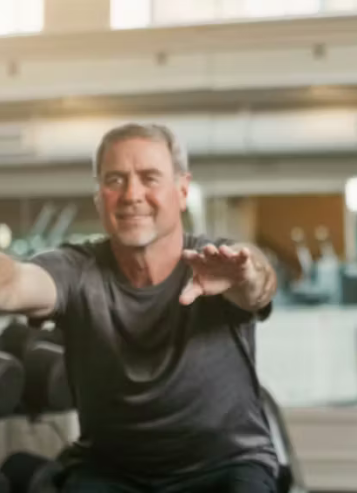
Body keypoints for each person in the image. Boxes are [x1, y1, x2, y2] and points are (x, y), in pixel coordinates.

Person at [0, 123, 279, 492]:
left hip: (226, 466)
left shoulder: (217, 264)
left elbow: (258, 282)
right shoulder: (76, 270)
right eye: (115, 180)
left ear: (181, 190)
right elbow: (14, 285)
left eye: (149, 178)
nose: (131, 194)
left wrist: (248, 274)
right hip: (111, 472)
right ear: (99, 197)